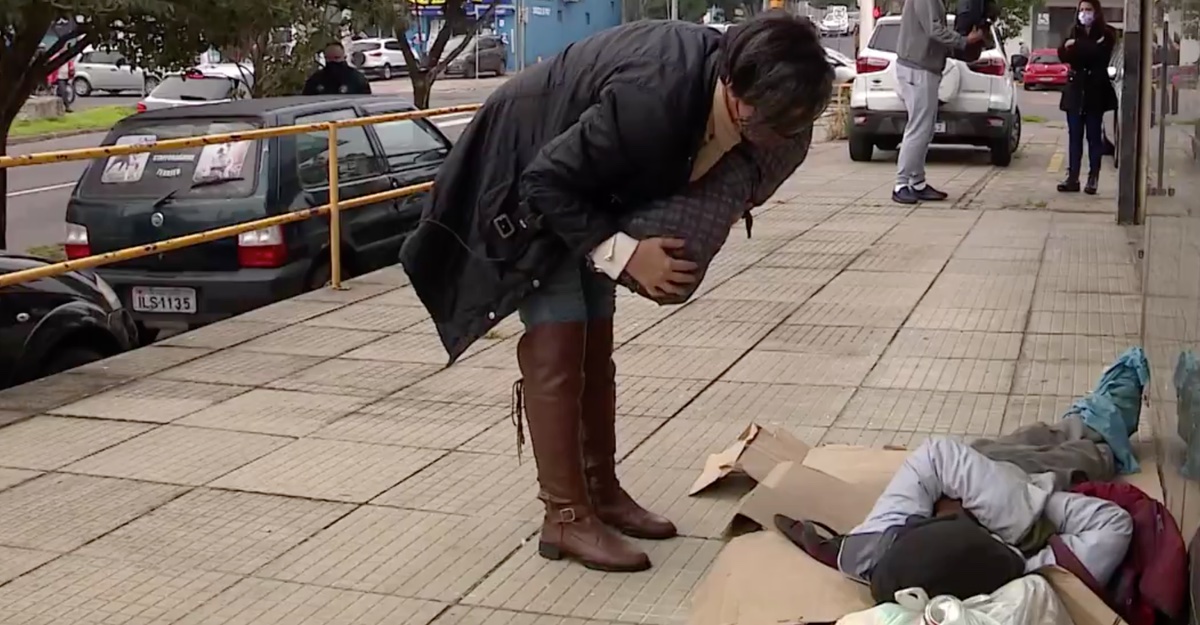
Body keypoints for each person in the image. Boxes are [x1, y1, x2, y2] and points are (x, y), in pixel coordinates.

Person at [400, 15, 832, 573]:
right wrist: (627, 253)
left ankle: (600, 491)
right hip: (526, 178)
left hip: (588, 185)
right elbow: (544, 180)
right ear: (739, 89)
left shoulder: (719, 85)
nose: (788, 133)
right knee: (559, 340)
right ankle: (565, 517)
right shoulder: (654, 100)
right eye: (780, 119)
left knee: (594, 342)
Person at [891, 0, 985, 204]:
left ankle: (917, 182)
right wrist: (963, 41)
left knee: (924, 128)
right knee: (918, 128)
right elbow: (933, 29)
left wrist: (955, 48)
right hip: (918, 68)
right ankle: (901, 184)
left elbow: (932, 34)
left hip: (924, 67)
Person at [1056, 0, 1117, 195]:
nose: (1084, 13)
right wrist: (1075, 46)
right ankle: (1072, 177)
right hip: (1075, 90)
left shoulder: (1107, 33)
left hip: (1095, 92)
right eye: (1081, 10)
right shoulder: (1073, 30)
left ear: (1096, 12)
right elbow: (1063, 54)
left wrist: (1077, 46)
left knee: (1093, 137)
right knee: (1075, 136)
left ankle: (1093, 177)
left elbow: (1099, 54)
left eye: (1088, 9)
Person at [302, 42, 371, 96]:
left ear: (344, 57)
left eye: (336, 58)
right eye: (328, 58)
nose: (332, 62)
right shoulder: (315, 80)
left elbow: (365, 103)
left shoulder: (357, 79)